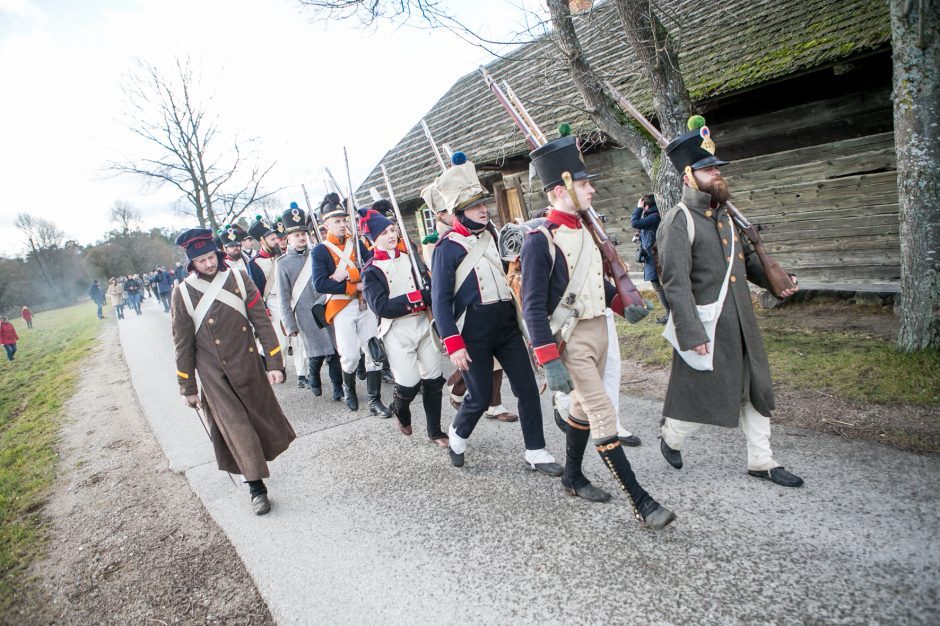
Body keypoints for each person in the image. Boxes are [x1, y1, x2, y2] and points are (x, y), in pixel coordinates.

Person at [520, 131, 675, 529]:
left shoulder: (587, 230)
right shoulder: (540, 239)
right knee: (603, 413)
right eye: (585, 183)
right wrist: (548, 358)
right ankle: (642, 503)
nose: (592, 189)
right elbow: (533, 306)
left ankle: (572, 477)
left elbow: (594, 284)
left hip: (600, 332)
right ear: (561, 189)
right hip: (570, 341)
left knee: (579, 410)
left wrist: (623, 305)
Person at [656, 116, 803, 488]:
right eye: (708, 170)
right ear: (689, 176)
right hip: (708, 323)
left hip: (742, 322)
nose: (717, 174)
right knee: (708, 395)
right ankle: (671, 434)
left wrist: (777, 283)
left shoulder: (727, 217)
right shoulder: (679, 221)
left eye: (717, 168)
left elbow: (745, 263)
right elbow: (674, 283)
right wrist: (690, 332)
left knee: (756, 388)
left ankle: (762, 461)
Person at [427, 150, 560, 475]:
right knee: (481, 394)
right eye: (475, 206)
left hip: (506, 324)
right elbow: (440, 301)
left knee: (527, 388)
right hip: (472, 331)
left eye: (483, 204)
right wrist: (454, 344)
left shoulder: (494, 235)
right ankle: (458, 433)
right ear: (459, 212)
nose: (483, 210)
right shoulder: (446, 248)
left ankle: (536, 450)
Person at [171, 228, 296, 515]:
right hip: (214, 375)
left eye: (211, 257)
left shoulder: (239, 279)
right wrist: (188, 388)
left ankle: (255, 470)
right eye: (201, 260)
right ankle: (256, 489)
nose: (209, 263)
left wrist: (274, 363)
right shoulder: (183, 293)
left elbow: (261, 323)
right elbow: (182, 345)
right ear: (192, 263)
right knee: (236, 427)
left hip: (248, 364)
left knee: (258, 423)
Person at [360, 207, 449, 447]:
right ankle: (400, 409)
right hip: (396, 331)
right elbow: (382, 308)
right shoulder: (370, 270)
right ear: (373, 239)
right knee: (408, 384)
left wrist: (428, 293)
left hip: (423, 324)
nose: (391, 235)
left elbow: (431, 286)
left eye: (392, 229)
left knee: (433, 379)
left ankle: (435, 431)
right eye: (384, 233)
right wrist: (420, 296)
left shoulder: (410, 257)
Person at [312, 194, 390, 416]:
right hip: (341, 306)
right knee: (350, 356)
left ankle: (375, 400)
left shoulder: (356, 243)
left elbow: (371, 267)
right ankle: (350, 390)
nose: (342, 224)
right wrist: (352, 287)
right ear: (326, 224)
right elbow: (320, 283)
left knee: (374, 350)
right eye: (336, 221)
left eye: (344, 220)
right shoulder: (321, 250)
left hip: (365, 304)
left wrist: (347, 273)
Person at [275, 204, 343, 400]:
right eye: (296, 235)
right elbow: (284, 297)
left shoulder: (319, 253)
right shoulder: (283, 264)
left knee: (334, 352)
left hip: (326, 308)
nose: (301, 238)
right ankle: (313, 376)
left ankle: (339, 389)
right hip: (305, 315)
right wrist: (290, 325)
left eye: (303, 233)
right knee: (316, 354)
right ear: (288, 238)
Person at [631, 193, 669, 323]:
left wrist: (638, 208)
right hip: (651, 256)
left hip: (655, 256)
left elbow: (634, 223)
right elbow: (647, 232)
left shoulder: (654, 216)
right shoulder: (650, 216)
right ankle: (670, 313)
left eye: (643, 205)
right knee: (658, 285)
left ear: (646, 206)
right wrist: (639, 237)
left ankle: (670, 314)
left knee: (660, 286)